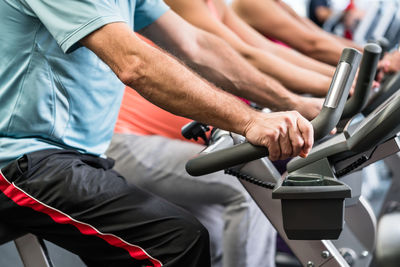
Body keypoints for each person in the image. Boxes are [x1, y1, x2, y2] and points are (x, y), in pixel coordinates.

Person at [0, 1, 314, 266]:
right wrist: (249, 121)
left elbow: (197, 46)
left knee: (195, 230)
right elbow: (134, 63)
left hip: (79, 156)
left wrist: (297, 104)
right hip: (22, 161)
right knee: (176, 240)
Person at [164, 0, 334, 96]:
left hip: (255, 98)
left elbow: (268, 49)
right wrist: (334, 82)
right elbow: (245, 55)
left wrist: (340, 76)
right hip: (226, 112)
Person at [231, 0, 363, 65]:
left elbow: (320, 35)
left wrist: (367, 54)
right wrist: (364, 63)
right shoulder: (251, 2)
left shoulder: (280, 4)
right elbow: (312, 45)